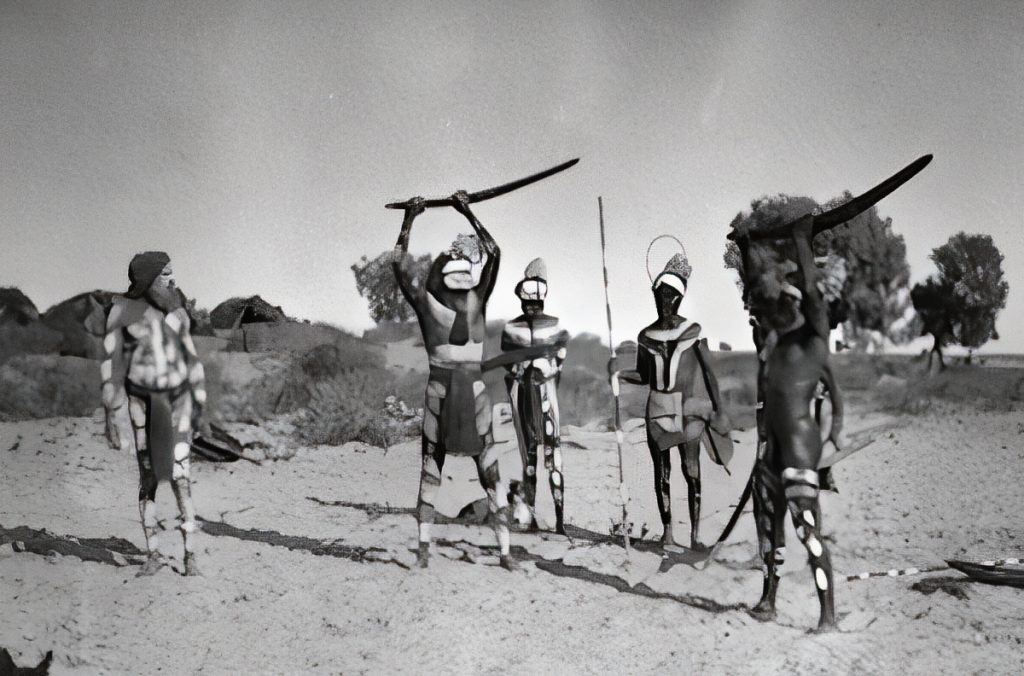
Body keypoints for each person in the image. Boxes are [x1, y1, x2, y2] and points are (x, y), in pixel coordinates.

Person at [391, 193, 517, 570]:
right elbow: (495, 252)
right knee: (471, 471)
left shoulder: (433, 299)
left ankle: (434, 549)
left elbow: (398, 263)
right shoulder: (472, 298)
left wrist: (410, 220)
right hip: (457, 395)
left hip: (451, 395)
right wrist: (467, 211)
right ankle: (496, 553)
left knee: (450, 470)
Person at [732, 216, 842, 632]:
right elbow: (758, 292)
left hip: (797, 453)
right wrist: (745, 248)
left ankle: (827, 617)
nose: (781, 307)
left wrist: (801, 240)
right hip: (770, 453)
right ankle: (768, 599)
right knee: (768, 532)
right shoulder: (772, 341)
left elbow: (813, 295)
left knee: (808, 533)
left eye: (790, 302)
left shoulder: (814, 341)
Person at [610, 252, 732, 550]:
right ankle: (668, 533)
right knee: (661, 473)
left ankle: (694, 536)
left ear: (680, 297)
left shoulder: (693, 332)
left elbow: (710, 373)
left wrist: (719, 411)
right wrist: (618, 372)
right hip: (657, 409)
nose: (665, 301)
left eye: (671, 295)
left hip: (689, 409)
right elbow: (643, 375)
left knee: (691, 470)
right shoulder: (645, 336)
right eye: (661, 294)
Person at [100, 252, 206, 577]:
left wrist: (199, 403)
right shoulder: (121, 311)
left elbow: (191, 357)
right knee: (148, 477)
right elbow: (110, 363)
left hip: (176, 404)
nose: (171, 281)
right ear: (147, 279)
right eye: (165, 275)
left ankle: (190, 557)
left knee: (181, 477)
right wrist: (111, 415)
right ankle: (153, 555)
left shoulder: (175, 309)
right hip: (140, 406)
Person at [498, 258, 569, 534]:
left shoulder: (546, 328)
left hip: (535, 394)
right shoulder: (552, 328)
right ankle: (550, 520)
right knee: (543, 456)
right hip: (537, 394)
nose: (531, 307)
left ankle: (550, 520)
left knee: (538, 457)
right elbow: (557, 363)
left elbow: (510, 364)